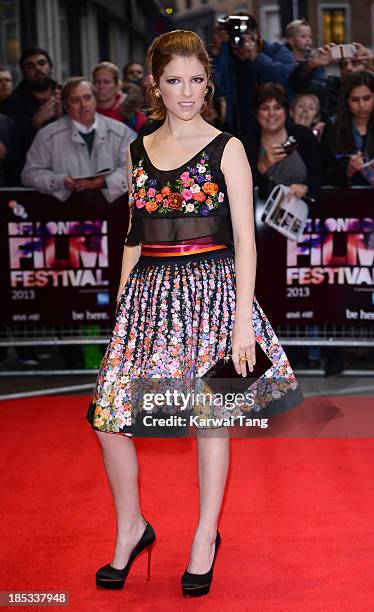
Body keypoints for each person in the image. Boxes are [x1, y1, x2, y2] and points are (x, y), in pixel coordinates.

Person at [86, 30, 302, 597]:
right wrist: (121, 303)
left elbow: (246, 242)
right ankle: (132, 527)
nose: (187, 92)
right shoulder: (137, 149)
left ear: (209, 81)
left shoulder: (227, 147)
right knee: (109, 416)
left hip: (212, 293)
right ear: (155, 84)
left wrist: (240, 323)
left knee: (210, 417)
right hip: (149, 297)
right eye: (174, 80)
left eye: (196, 79)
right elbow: (135, 232)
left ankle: (205, 535)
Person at [21, 77, 136, 202]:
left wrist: (106, 182)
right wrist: (60, 181)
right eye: (75, 100)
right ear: (66, 105)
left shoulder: (122, 132)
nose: (83, 105)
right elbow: (29, 175)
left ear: (95, 100)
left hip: (115, 211)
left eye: (87, 98)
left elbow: (137, 169)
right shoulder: (47, 135)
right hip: (64, 213)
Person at [212, 14, 296, 139]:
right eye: (234, 39)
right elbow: (216, 89)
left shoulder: (275, 51)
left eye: (242, 38)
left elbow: (288, 79)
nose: (238, 45)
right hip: (237, 132)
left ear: (255, 35)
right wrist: (217, 52)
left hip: (275, 130)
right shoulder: (226, 57)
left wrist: (256, 57)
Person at [249, 83, 323, 200]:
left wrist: (305, 187)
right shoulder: (246, 144)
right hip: (258, 214)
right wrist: (263, 165)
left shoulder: (303, 136)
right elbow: (239, 185)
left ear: (286, 111)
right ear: (256, 113)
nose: (271, 113)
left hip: (302, 212)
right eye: (265, 108)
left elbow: (319, 174)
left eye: (277, 108)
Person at [2, 47, 62, 183]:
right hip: (30, 178)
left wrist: (62, 120)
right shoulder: (12, 103)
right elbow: (12, 151)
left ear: (50, 67)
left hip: (66, 172)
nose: (38, 69)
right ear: (24, 72)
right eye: (31, 66)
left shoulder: (65, 94)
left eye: (42, 63)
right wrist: (35, 124)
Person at [321, 71, 374, 189]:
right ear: (346, 101)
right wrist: (348, 169)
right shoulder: (334, 126)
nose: (362, 105)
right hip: (346, 196)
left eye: (367, 98)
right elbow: (326, 172)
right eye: (355, 100)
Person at [289, 42, 374, 120]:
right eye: (343, 65)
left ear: (366, 67)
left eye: (355, 63)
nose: (348, 68)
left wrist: (373, 65)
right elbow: (297, 84)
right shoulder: (330, 87)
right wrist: (312, 64)